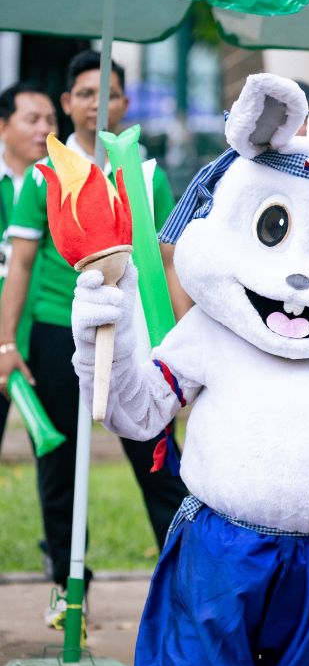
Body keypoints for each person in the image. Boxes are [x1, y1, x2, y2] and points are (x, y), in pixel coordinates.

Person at [0, 51, 188, 626]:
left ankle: (184, 578)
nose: (95, 103)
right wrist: (7, 341)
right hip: (61, 329)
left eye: (106, 93)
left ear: (122, 104)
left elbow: (167, 261)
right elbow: (23, 262)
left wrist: (180, 344)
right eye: (84, 93)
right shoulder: (44, 175)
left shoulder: (146, 174)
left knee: (157, 457)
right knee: (59, 463)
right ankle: (66, 585)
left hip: (134, 334)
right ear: (68, 105)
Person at [0, 81, 55, 447]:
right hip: (5, 337)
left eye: (51, 120)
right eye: (32, 119)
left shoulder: (61, 185)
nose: (44, 129)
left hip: (45, 335)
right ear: (3, 126)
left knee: (55, 455)